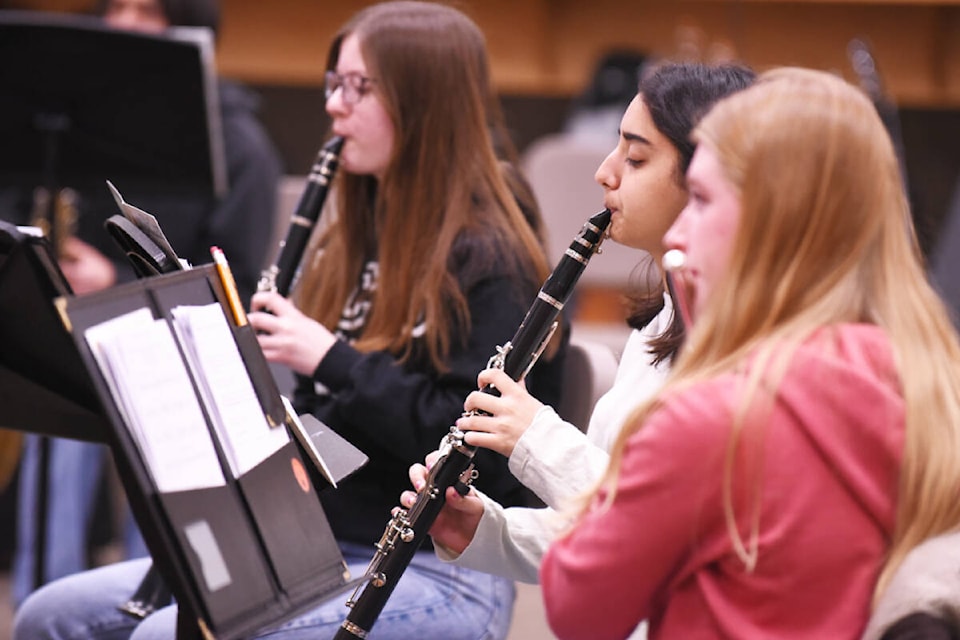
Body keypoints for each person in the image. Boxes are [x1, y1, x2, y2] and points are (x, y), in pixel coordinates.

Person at [13, 2, 564, 639]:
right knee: (50, 616)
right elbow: (329, 422)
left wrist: (332, 359)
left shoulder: (492, 258)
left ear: (425, 103)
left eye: (358, 87)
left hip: (438, 565)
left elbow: (478, 458)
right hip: (319, 544)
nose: (334, 104)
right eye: (334, 82)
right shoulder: (356, 240)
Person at [538, 67, 960, 639]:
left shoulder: (713, 416)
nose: (681, 232)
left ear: (773, 219)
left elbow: (577, 609)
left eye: (704, 200)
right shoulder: (931, 376)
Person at [404, 61, 755, 640]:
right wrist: (485, 533)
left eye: (636, 159)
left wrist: (536, 437)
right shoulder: (664, 321)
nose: (604, 172)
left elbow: (665, 534)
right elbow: (601, 525)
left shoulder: (754, 355)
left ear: (707, 180)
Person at [7, 0, 282, 609]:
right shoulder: (79, 121)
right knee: (53, 434)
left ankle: (148, 607)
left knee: (164, 476)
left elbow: (228, 280)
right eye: (117, 7)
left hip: (179, 360)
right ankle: (44, 601)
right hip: (83, 342)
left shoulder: (238, 143)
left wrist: (117, 277)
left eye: (147, 10)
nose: (123, 24)